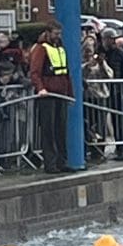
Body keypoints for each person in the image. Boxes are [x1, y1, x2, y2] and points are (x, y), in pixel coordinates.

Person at [28, 21, 73, 172]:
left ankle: (62, 161)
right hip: (47, 94)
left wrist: (70, 93)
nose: (58, 36)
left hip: (61, 93)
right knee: (49, 130)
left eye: (59, 33)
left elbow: (66, 73)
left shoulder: (60, 48)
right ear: (48, 33)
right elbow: (35, 72)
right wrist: (41, 88)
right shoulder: (41, 49)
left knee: (61, 129)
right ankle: (50, 163)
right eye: (55, 33)